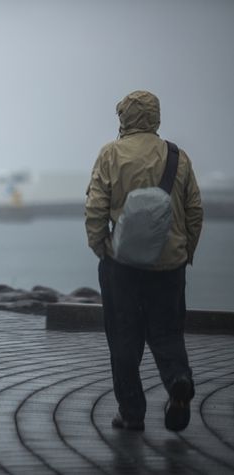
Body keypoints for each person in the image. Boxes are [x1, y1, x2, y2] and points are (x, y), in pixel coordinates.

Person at [85, 90, 203, 432]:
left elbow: (95, 208)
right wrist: (185, 251)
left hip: (122, 264)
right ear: (156, 116)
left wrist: (101, 247)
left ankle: (132, 413)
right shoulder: (177, 157)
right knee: (167, 332)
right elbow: (194, 210)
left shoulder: (111, 153)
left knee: (123, 338)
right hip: (169, 265)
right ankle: (178, 379)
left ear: (124, 117)